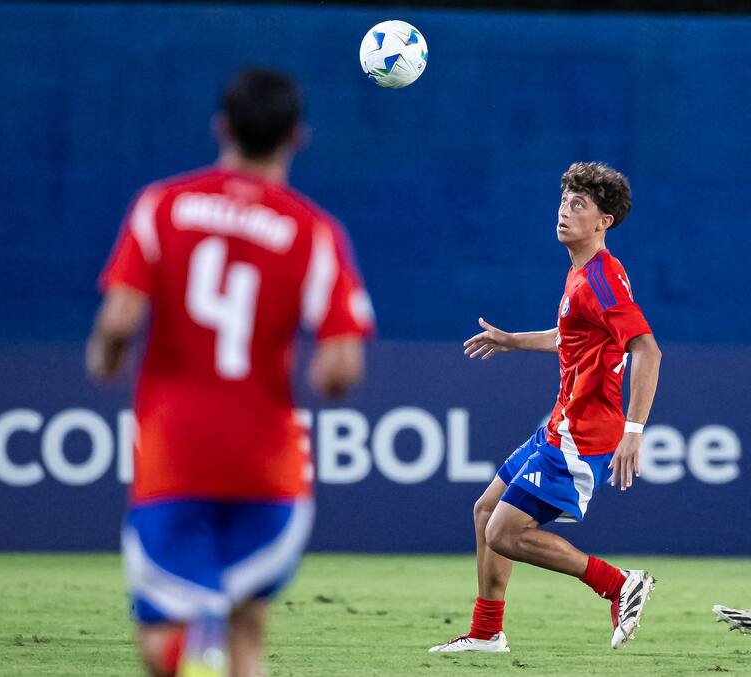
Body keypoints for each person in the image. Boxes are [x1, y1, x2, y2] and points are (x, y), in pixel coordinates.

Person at [87, 68, 373, 677]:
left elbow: (117, 323)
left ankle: (191, 654)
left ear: (222, 126)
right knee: (249, 634)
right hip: (267, 466)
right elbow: (341, 365)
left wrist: (107, 356)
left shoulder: (161, 205)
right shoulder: (314, 231)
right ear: (297, 136)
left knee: (160, 633)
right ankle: (215, 652)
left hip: (174, 455)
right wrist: (329, 381)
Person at [429, 162, 662, 654]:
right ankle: (488, 632)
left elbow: (646, 349)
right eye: (563, 202)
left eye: (579, 205)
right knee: (486, 511)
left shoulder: (602, 277)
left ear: (605, 221)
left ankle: (617, 584)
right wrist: (514, 340)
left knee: (504, 533)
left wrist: (634, 430)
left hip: (585, 434)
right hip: (561, 425)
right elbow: (572, 336)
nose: (564, 212)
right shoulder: (580, 272)